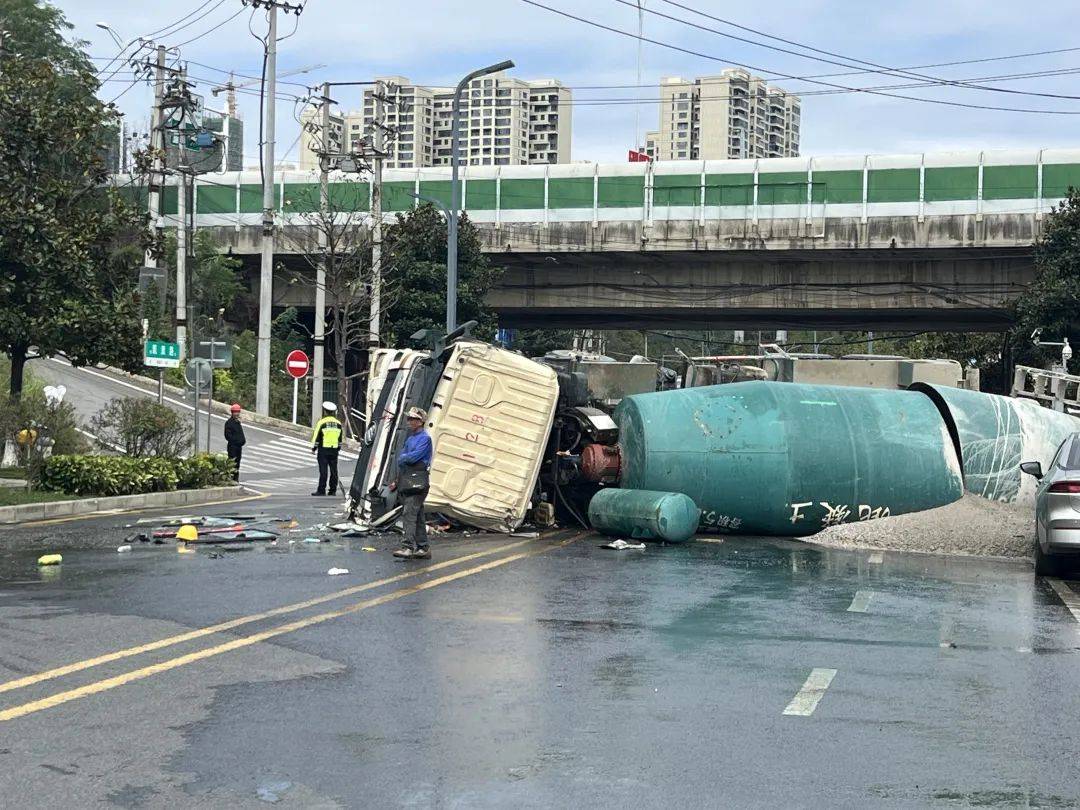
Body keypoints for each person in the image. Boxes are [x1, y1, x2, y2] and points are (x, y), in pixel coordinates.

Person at [392, 406, 434, 560]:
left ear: (420, 421)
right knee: (418, 515)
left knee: (409, 513)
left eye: (412, 419)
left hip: (417, 482)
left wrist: (404, 458)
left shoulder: (425, 439)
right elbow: (403, 459)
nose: (409, 421)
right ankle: (423, 547)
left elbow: (410, 458)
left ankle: (408, 547)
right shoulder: (410, 439)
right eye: (409, 418)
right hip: (409, 480)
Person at [310, 401, 343, 496]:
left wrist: (314, 448)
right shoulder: (338, 423)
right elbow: (340, 438)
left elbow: (317, 437)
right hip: (334, 450)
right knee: (334, 471)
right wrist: (338, 448)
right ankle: (332, 490)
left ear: (324, 411)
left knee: (323, 471)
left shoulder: (322, 422)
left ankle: (321, 490)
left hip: (323, 450)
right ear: (333, 412)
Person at [223, 403, 246, 482]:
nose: (237, 414)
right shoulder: (229, 423)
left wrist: (242, 441)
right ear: (232, 413)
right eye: (235, 412)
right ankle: (231, 479)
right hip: (233, 447)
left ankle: (236, 479)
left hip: (239, 447)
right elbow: (227, 436)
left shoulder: (237, 422)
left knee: (237, 463)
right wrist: (236, 441)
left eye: (238, 412)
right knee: (232, 463)